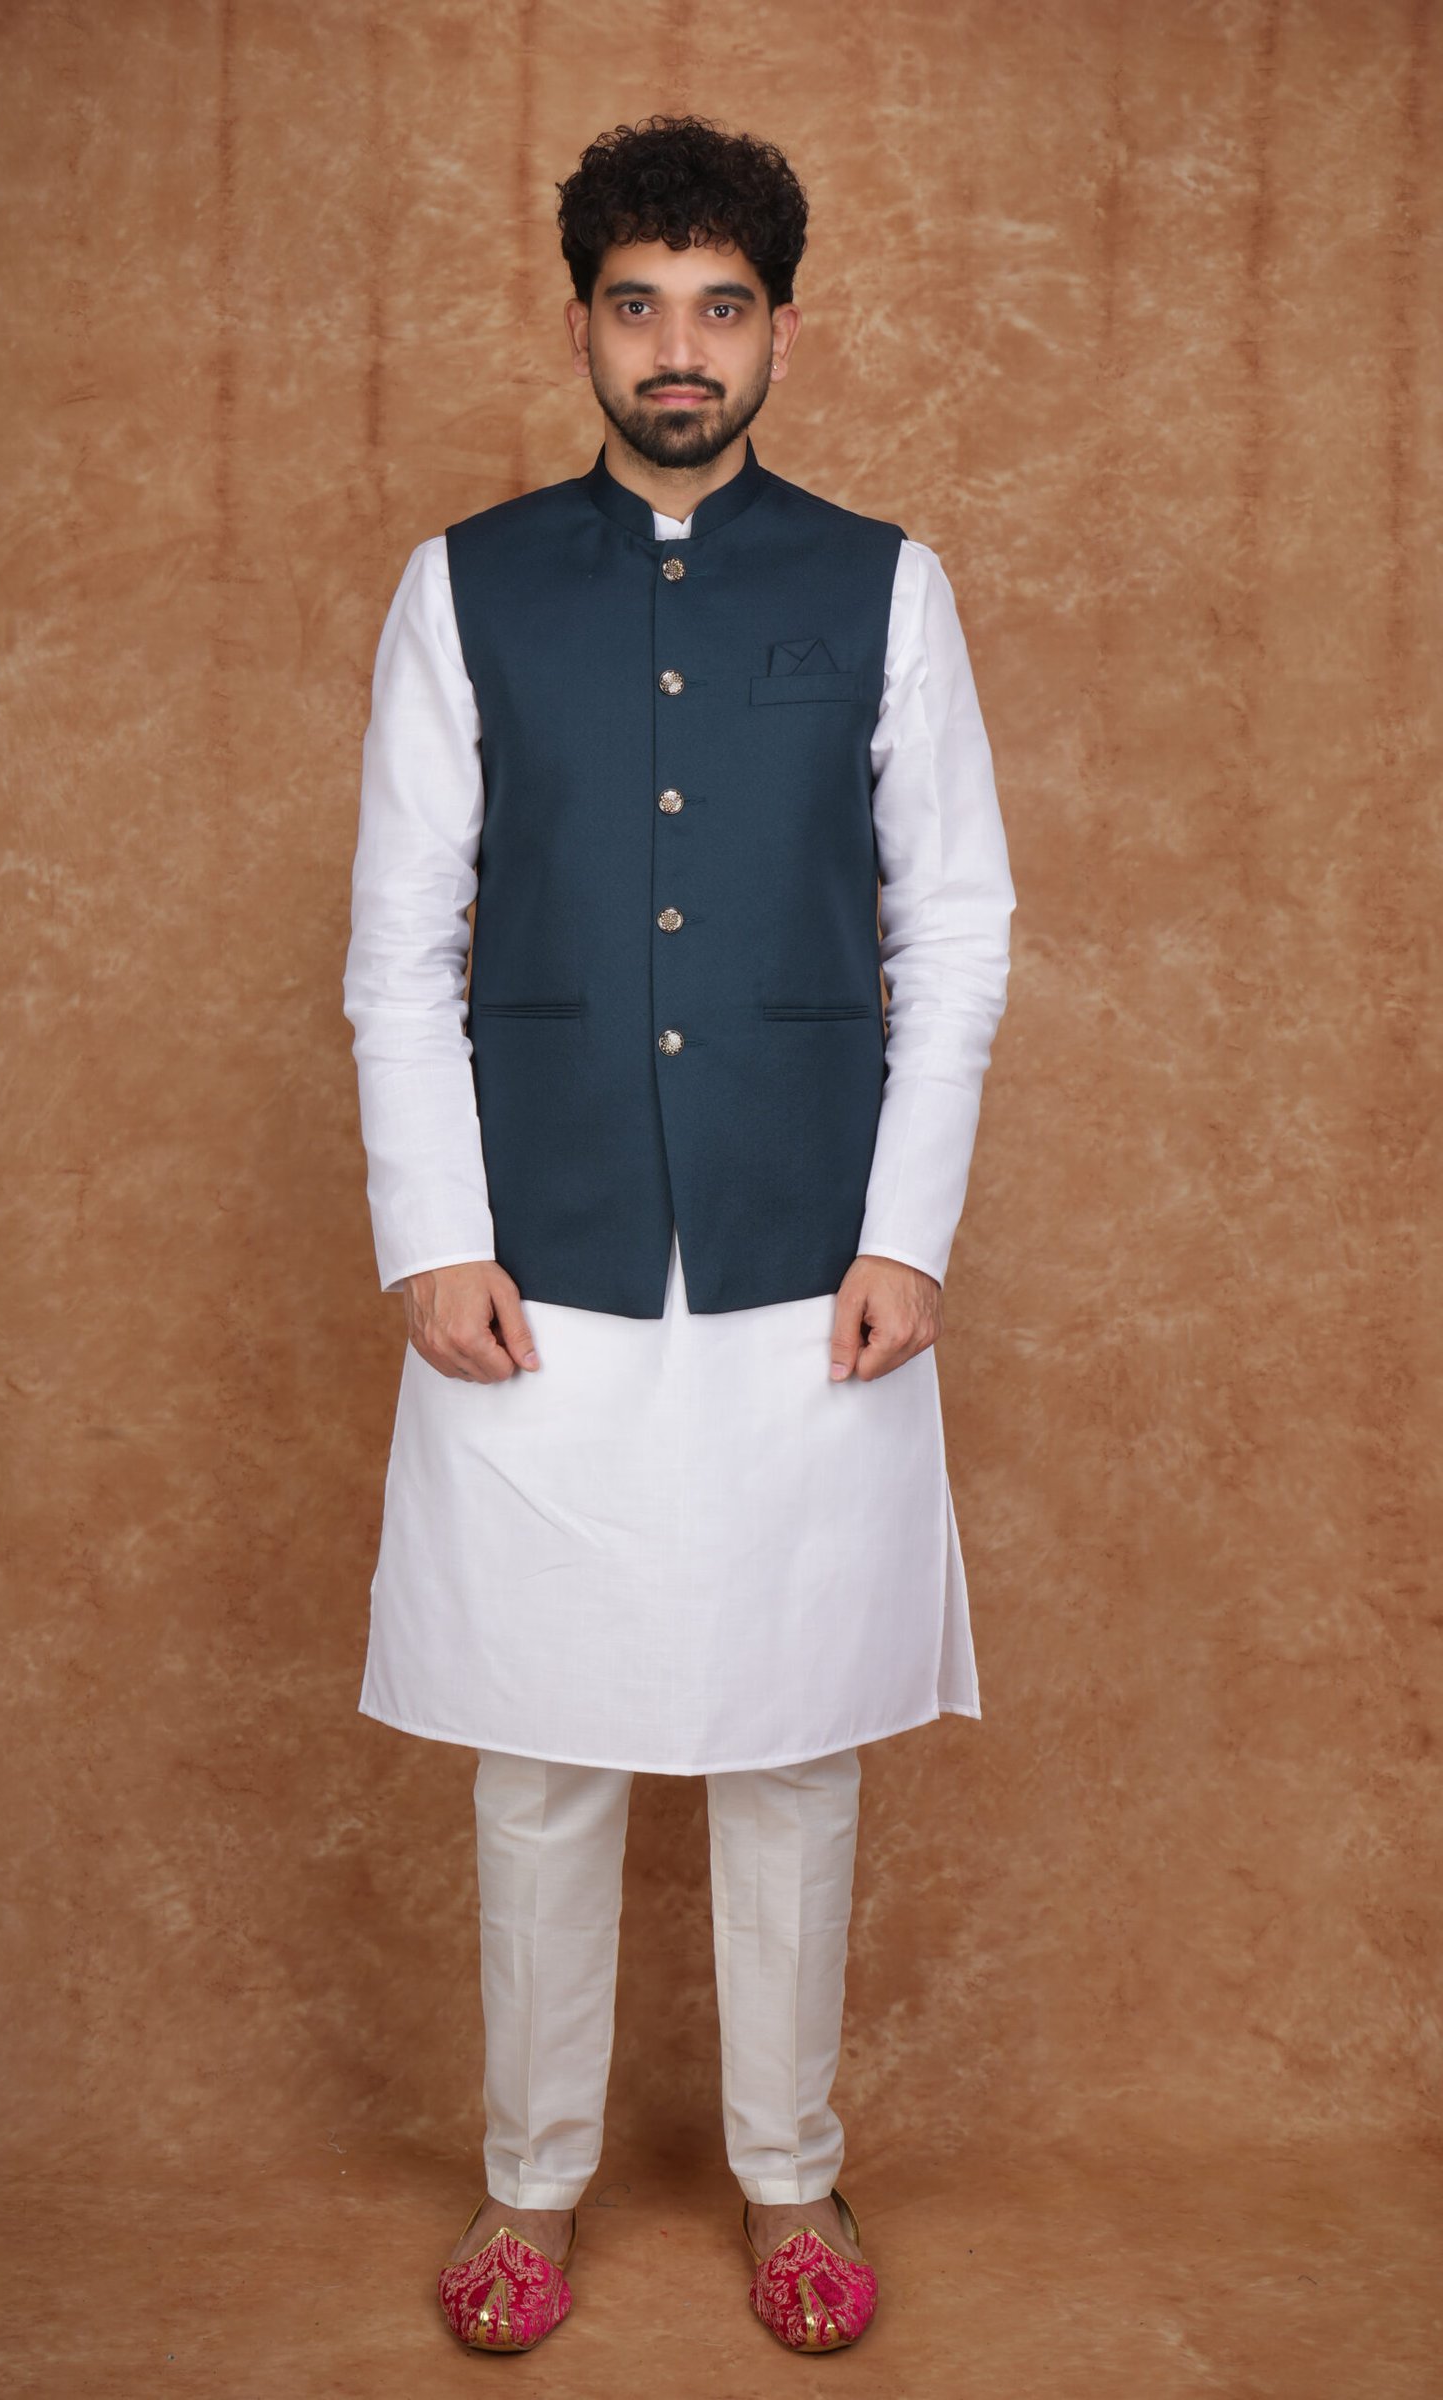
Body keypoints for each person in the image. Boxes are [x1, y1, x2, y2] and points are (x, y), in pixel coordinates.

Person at [341, 112, 1016, 2355]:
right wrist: (434, 1230)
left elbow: (958, 928)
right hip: (530, 1254)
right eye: (637, 306)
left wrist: (906, 1232)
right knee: (540, 1747)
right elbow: (395, 946)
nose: (678, 349)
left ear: (780, 333)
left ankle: (789, 2176)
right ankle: (528, 2186)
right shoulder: (460, 585)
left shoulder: (885, 586)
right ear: (580, 327)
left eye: (720, 307)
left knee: (788, 1739)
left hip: (808, 1254)